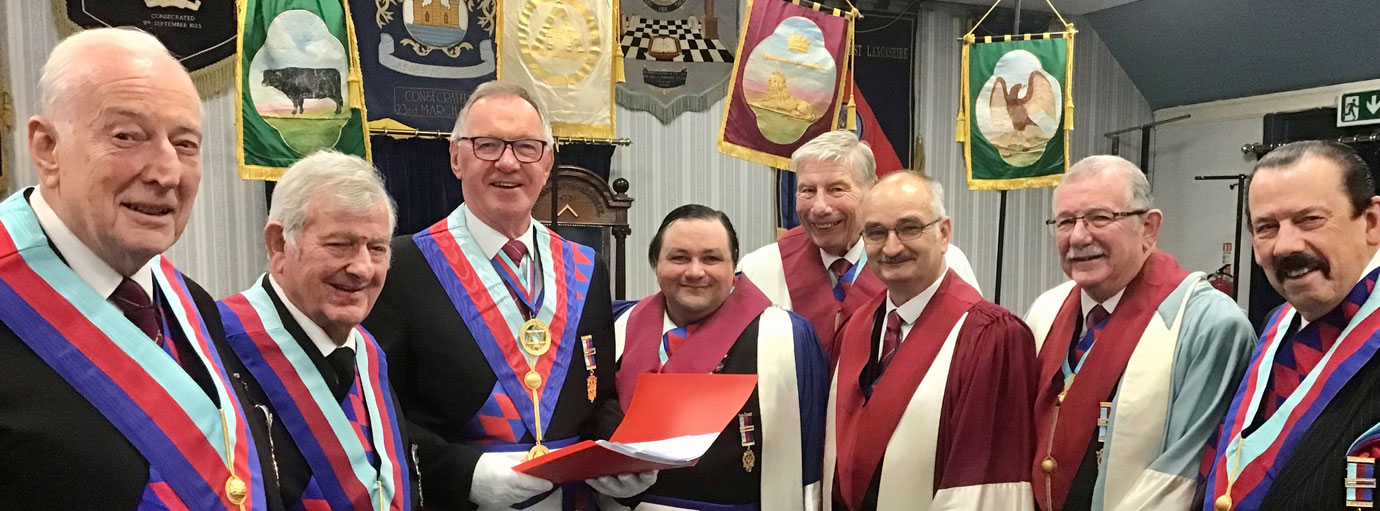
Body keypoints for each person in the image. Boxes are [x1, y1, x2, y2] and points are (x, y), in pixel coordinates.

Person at [0, 28, 272, 510]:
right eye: (127, 136)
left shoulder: (194, 306)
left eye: (185, 144)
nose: (166, 173)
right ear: (47, 148)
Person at [363, 80, 654, 510]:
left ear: (548, 161)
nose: (507, 162)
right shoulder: (400, 267)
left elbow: (599, 397)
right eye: (488, 145)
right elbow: (376, 414)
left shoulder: (587, 268)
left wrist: (620, 452)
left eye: (526, 147)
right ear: (456, 157)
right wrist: (465, 474)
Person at [1023, 156, 1255, 511]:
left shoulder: (1208, 325)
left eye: (1100, 218)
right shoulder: (1045, 311)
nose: (1079, 237)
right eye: (1065, 221)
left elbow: (1182, 478)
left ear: (1149, 227)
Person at [824, 172, 1036, 511]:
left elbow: (984, 482)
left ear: (943, 233)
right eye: (876, 232)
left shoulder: (991, 337)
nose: (892, 247)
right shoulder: (855, 328)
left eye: (909, 228)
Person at [218, 152, 412, 510]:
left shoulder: (369, 354)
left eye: (377, 248)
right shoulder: (213, 347)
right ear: (279, 245)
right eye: (340, 244)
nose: (362, 268)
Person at [611, 204, 829, 510]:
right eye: (679, 257)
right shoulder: (617, 327)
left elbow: (811, 453)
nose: (695, 271)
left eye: (711, 258)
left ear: (734, 266)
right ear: (655, 265)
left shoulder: (787, 337)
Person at [1203, 141, 1380, 511]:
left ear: (1371, 222)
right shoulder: (1273, 325)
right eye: (1267, 227)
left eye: (1309, 219)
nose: (1284, 245)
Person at [738, 130, 980, 363]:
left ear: (871, 189)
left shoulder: (939, 262)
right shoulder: (760, 269)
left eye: (836, 189)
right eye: (807, 190)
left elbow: (971, 351)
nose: (820, 207)